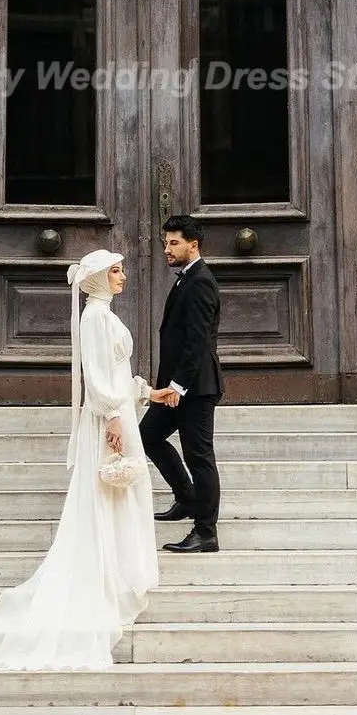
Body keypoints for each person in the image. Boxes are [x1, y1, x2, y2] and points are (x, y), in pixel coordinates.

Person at [0, 248, 171, 670]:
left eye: (121, 270)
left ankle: (120, 567)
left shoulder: (105, 316)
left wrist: (147, 394)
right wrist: (113, 414)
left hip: (121, 412)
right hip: (110, 419)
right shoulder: (95, 318)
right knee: (112, 488)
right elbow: (96, 375)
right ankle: (110, 573)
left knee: (123, 491)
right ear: (97, 279)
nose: (123, 277)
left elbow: (114, 372)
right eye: (115, 271)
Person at [140, 215, 224, 554]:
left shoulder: (201, 281)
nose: (167, 249)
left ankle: (206, 532)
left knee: (199, 457)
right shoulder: (186, 279)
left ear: (194, 244)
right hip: (173, 387)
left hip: (194, 388)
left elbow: (198, 342)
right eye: (165, 242)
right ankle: (186, 497)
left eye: (174, 242)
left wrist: (177, 386)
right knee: (146, 436)